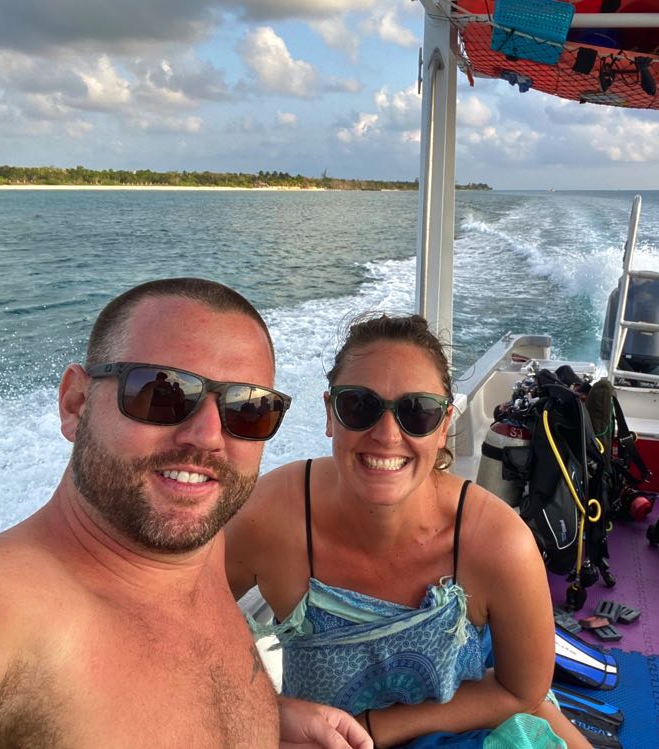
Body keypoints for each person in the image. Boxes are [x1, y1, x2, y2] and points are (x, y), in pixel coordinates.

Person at [0, 278, 371, 749]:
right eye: (163, 392)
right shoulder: (2, 610)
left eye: (247, 408)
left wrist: (264, 721)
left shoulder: (205, 545)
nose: (207, 436)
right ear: (76, 403)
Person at [226, 313, 590, 749]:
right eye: (358, 406)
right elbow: (174, 617)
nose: (385, 435)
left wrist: (372, 728)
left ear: (443, 427)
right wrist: (268, 709)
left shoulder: (497, 543)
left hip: (462, 727)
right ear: (329, 414)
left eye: (417, 412)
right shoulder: (269, 518)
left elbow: (521, 692)